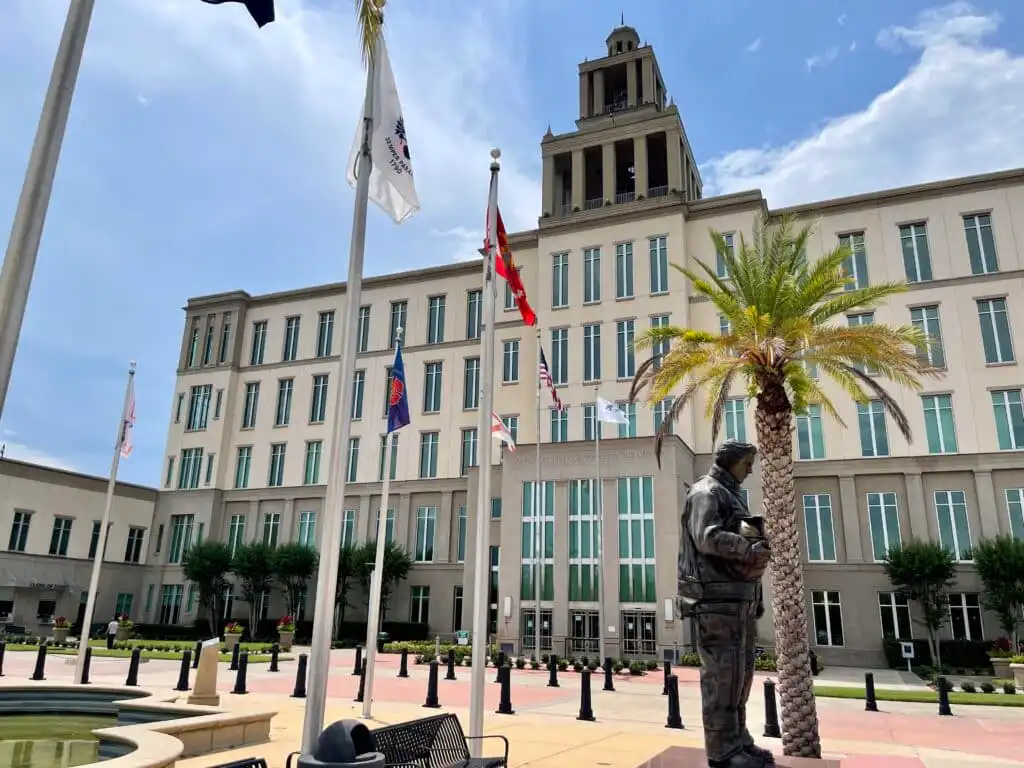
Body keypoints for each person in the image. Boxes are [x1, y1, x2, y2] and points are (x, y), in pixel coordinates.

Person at [678, 439, 774, 768]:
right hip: (716, 601)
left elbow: (744, 537)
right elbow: (707, 536)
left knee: (741, 677)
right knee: (722, 678)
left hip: (739, 599)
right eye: (747, 462)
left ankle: (738, 740)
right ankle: (722, 750)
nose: (750, 468)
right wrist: (749, 550)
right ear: (731, 461)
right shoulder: (707, 491)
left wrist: (757, 544)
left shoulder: (731, 494)